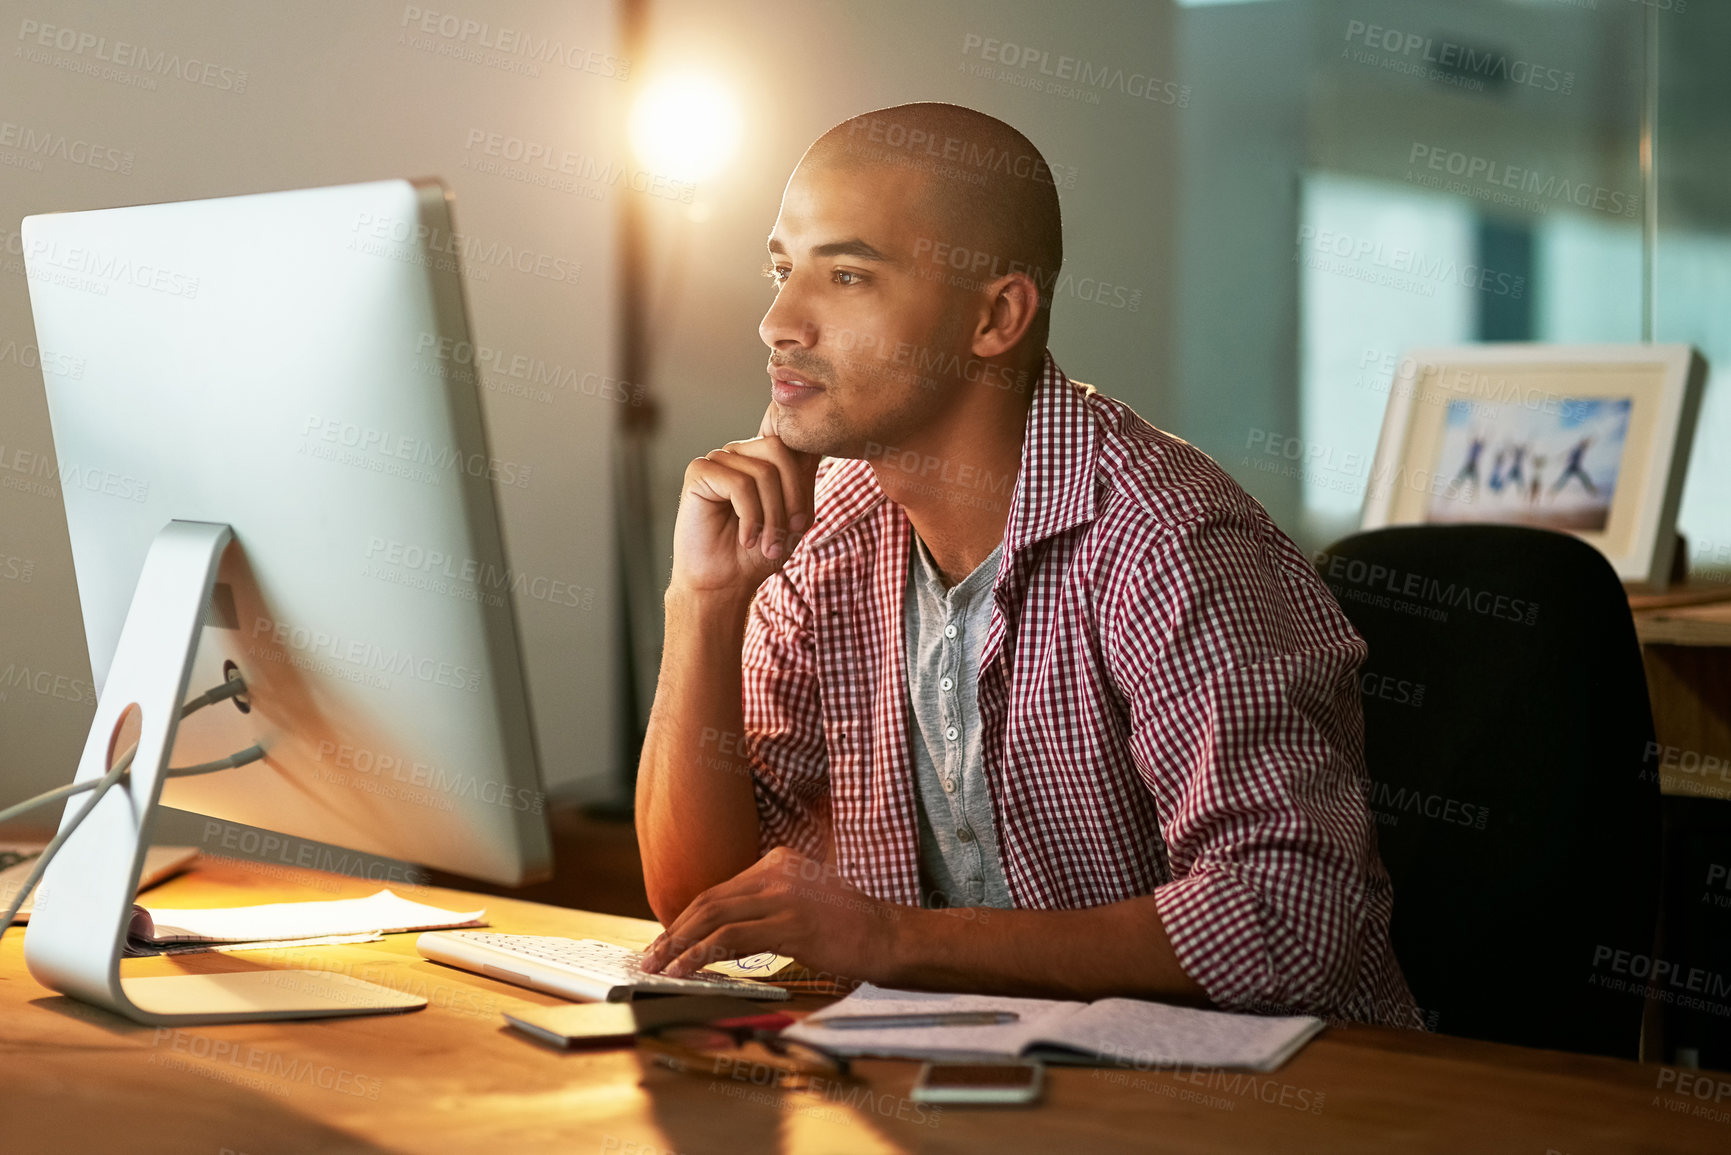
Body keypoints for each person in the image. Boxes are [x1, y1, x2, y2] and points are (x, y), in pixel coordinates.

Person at [634, 102, 1420, 1027]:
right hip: (974, 1086)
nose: (776, 321)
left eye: (845, 275)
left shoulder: (1166, 541)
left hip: (1257, 1107)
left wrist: (891, 940)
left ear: (996, 315)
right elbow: (707, 905)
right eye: (780, 270)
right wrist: (705, 599)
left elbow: (1290, 920)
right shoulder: (826, 536)